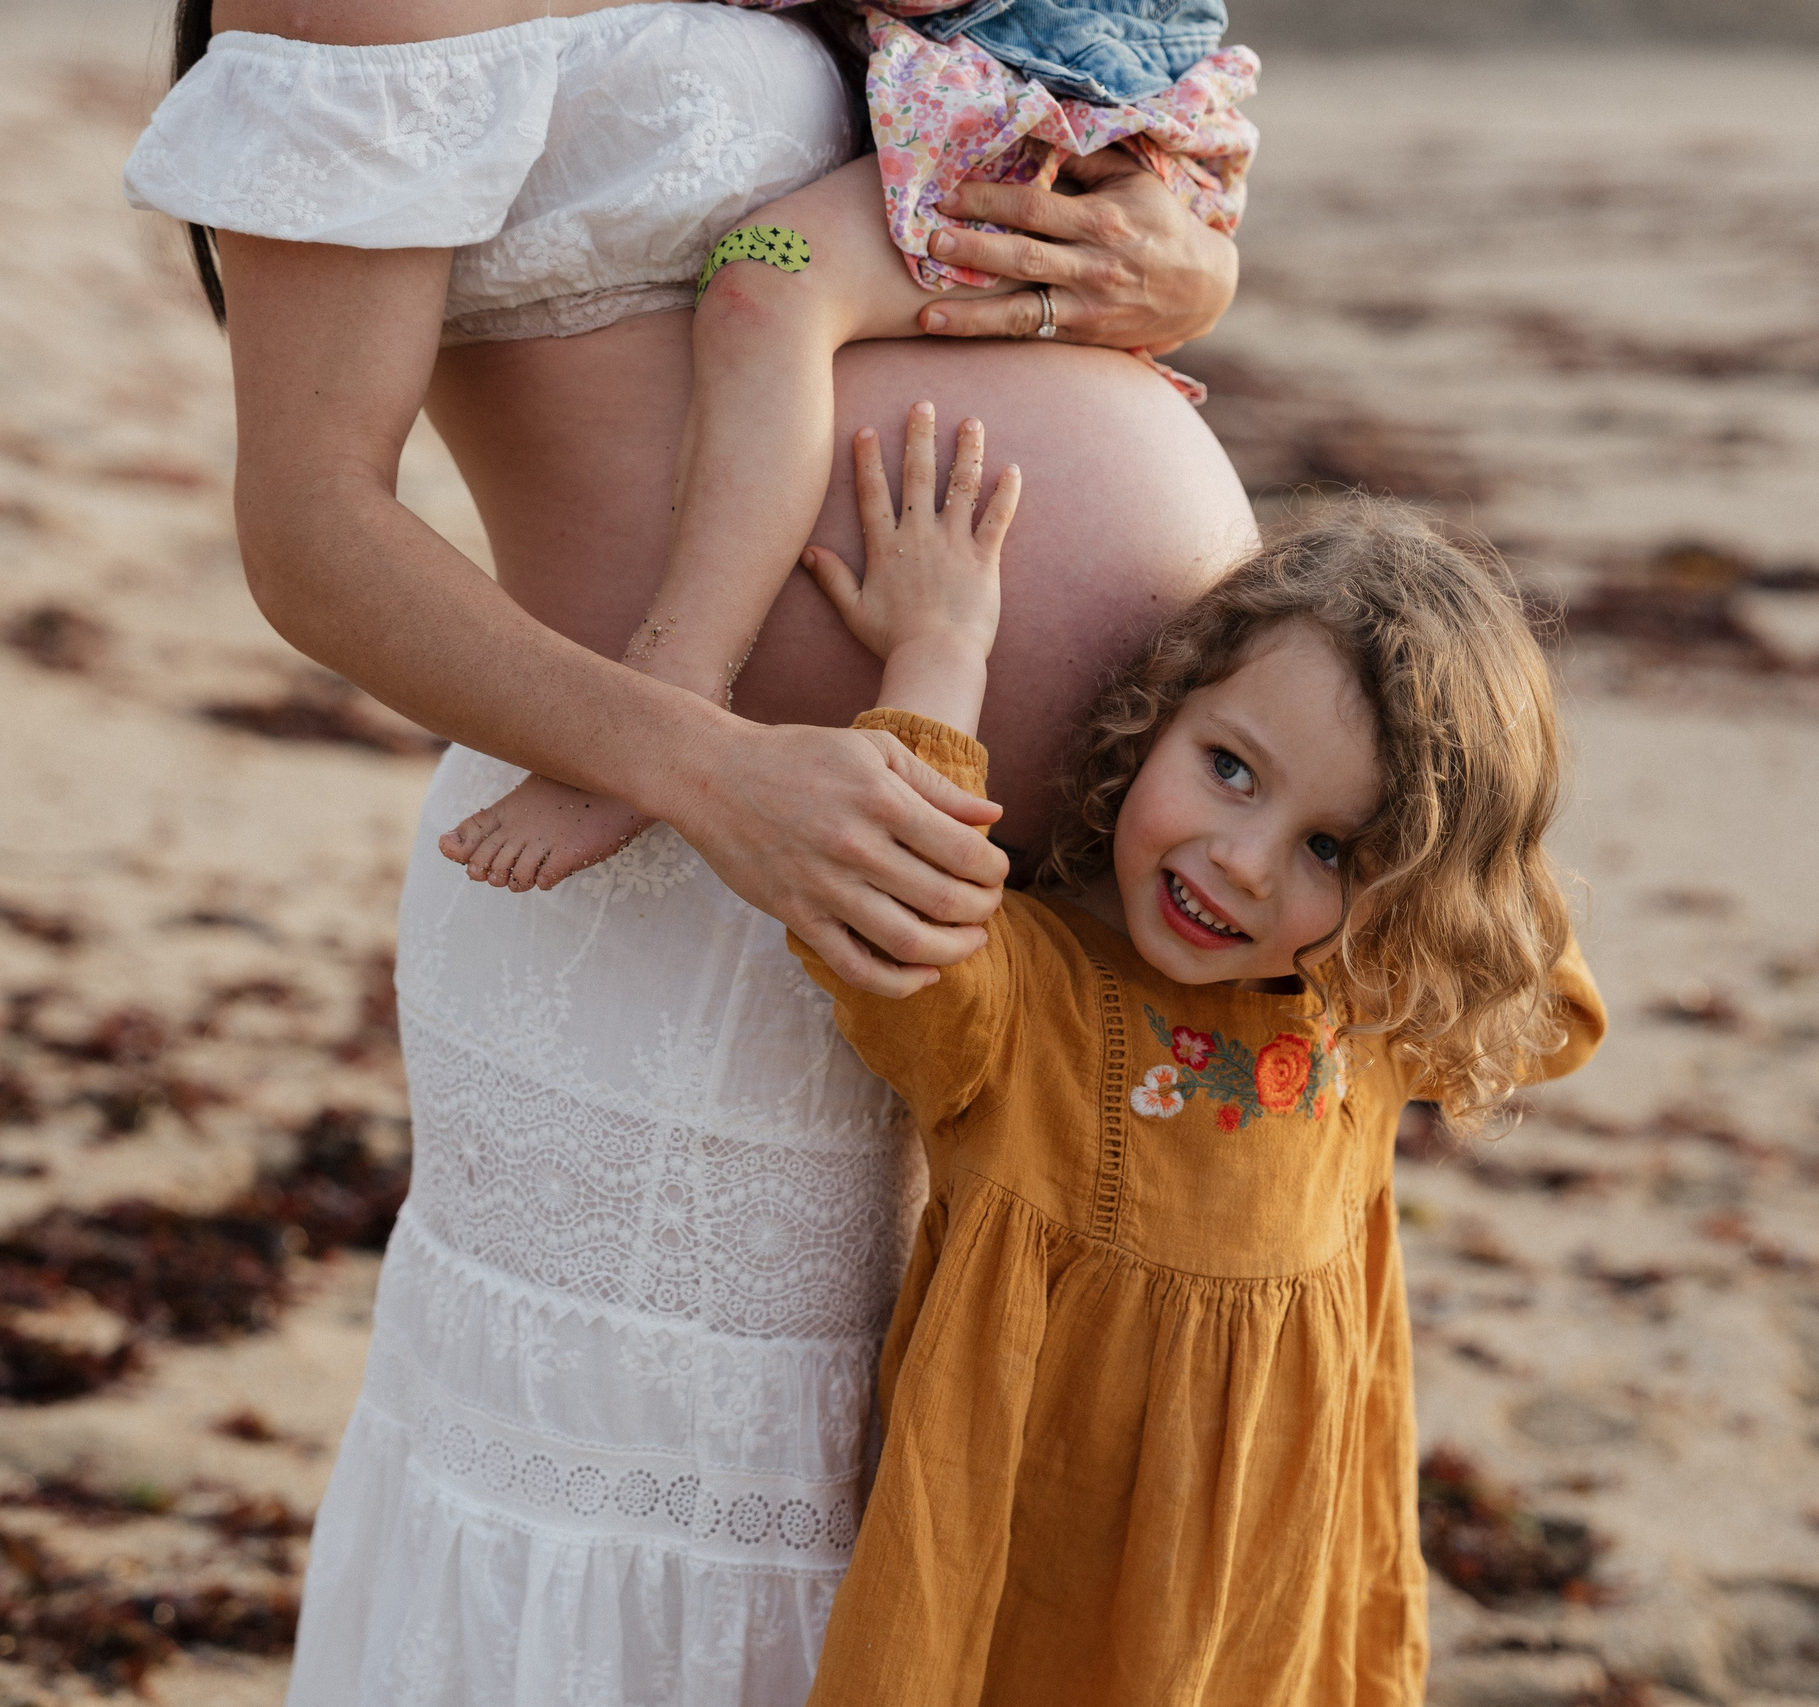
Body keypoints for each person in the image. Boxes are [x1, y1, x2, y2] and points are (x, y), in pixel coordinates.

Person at [122, 0, 1259, 1699]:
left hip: (978, 910)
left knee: (917, 1540)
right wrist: (710, 769)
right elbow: (308, 527)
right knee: (678, 1564)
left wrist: (1167, 277)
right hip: (673, 878)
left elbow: (954, 175)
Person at [779, 436, 1609, 1703]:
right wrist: (939, 652)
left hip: (1272, 1611)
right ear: (1153, 710)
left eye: (1331, 845)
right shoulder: (1028, 1003)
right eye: (1228, 768)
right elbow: (894, 904)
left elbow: (1544, 1001)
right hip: (1041, 1620)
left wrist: (1460, 819)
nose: (1244, 864)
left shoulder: (1365, 1015)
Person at [439, 0, 1258, 889]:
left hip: (1050, 116)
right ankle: (666, 700)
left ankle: (676, 676)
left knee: (772, 274)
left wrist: (1210, 280)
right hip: (785, 773)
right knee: (771, 280)